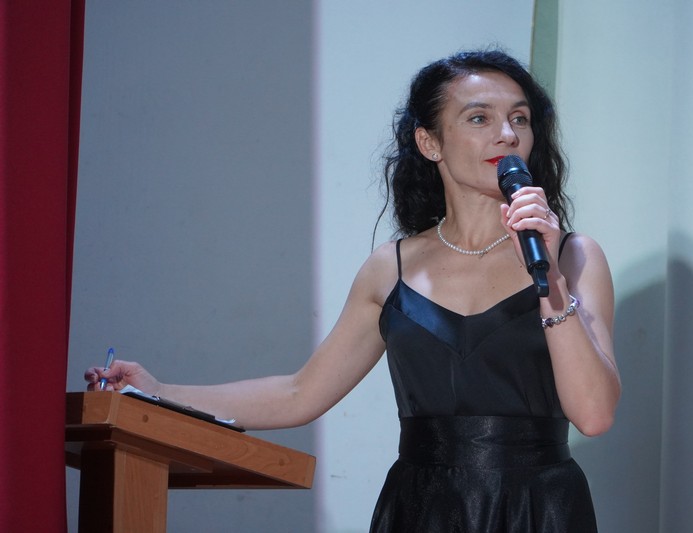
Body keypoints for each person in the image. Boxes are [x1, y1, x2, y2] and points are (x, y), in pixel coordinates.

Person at [86, 48, 620, 532]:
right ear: (430, 142)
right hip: (423, 508)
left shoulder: (572, 256)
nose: (507, 134)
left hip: (539, 509)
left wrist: (548, 279)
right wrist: (157, 393)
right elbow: (299, 394)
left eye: (519, 118)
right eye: (479, 117)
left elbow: (594, 415)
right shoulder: (390, 268)